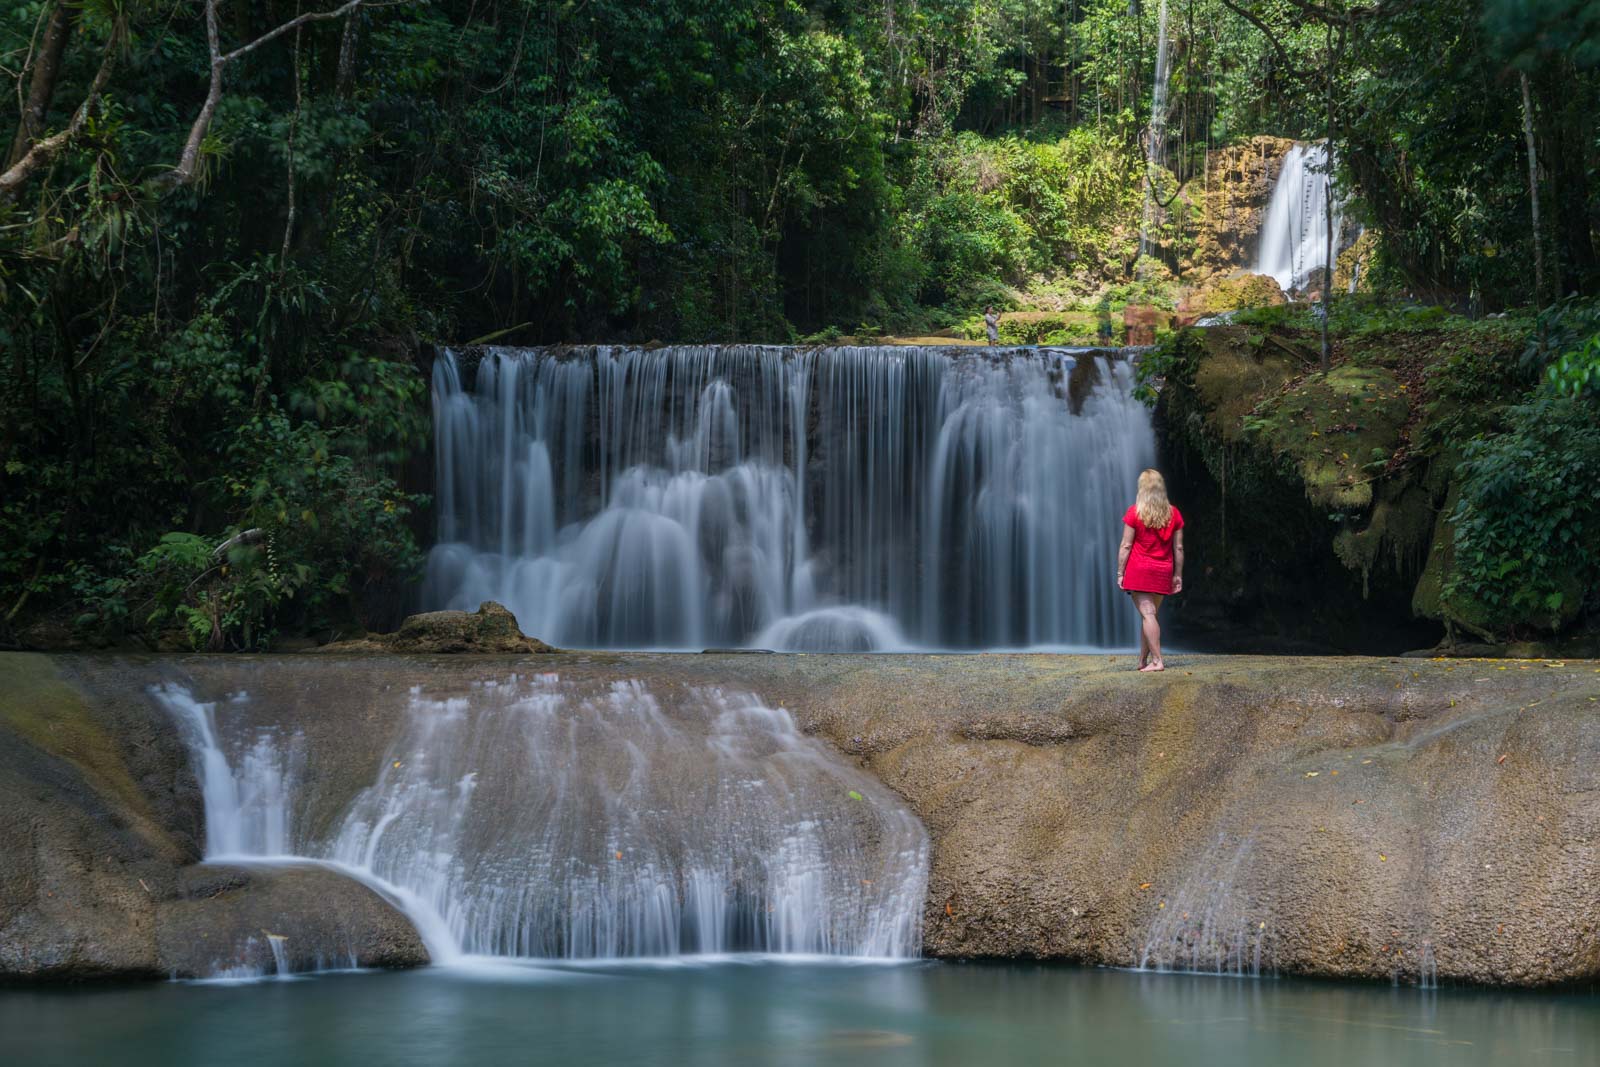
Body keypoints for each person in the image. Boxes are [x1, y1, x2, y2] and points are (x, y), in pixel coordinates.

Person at [1116, 469, 1184, 672]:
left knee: (1147, 614)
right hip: (1163, 571)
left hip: (1140, 571)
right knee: (1150, 615)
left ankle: (1157, 661)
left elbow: (1126, 546)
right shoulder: (1174, 513)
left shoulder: (1134, 512)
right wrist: (1177, 575)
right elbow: (1178, 548)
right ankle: (1142, 661)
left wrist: (1120, 572)